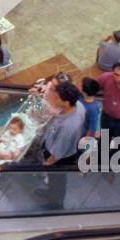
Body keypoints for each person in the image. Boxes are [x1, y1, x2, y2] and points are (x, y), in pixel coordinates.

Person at [32, 80, 86, 210]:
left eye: (57, 97)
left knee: (57, 179)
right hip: (58, 146)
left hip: (60, 158)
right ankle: (50, 192)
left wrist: (47, 164)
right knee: (54, 179)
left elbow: (58, 153)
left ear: (66, 102)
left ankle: (55, 204)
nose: (54, 98)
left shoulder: (68, 127)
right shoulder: (77, 105)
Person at [79, 77, 102, 148]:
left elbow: (92, 128)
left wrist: (85, 140)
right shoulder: (81, 96)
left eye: (80, 85)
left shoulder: (92, 109)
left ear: (85, 91)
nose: (78, 85)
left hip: (83, 134)